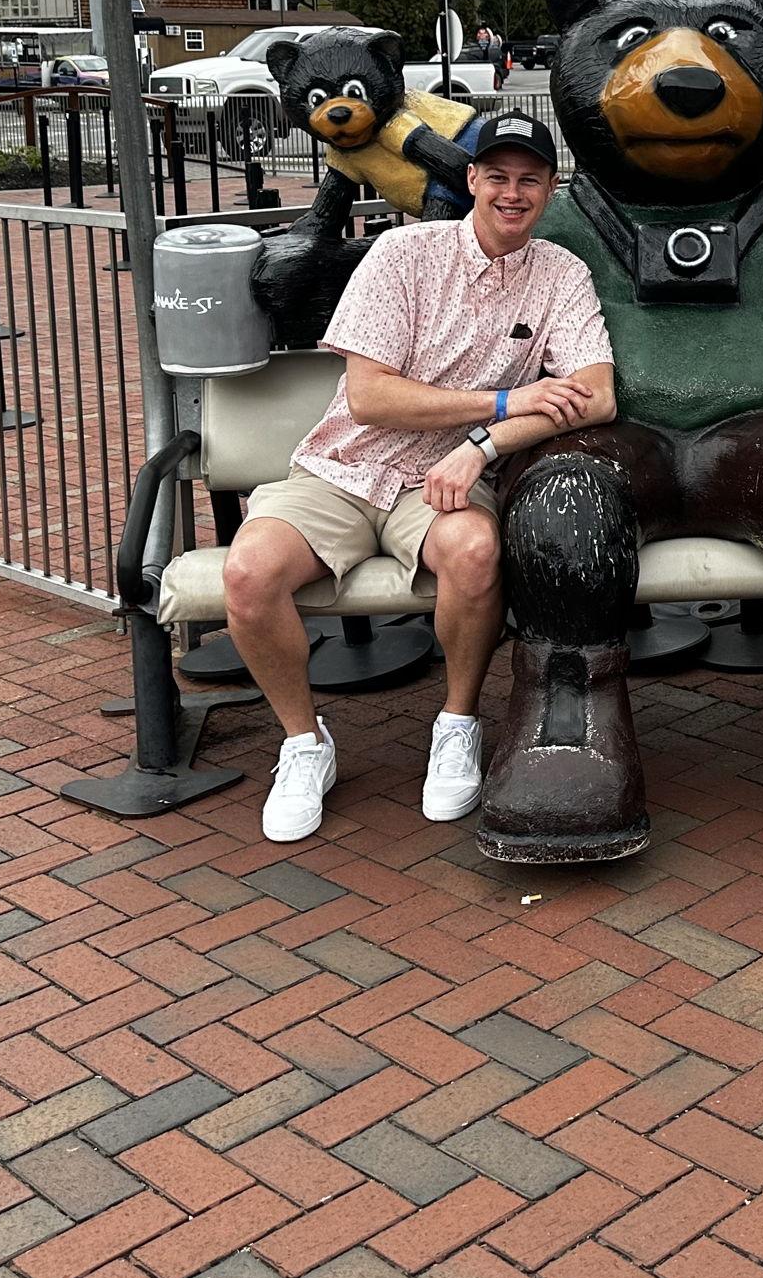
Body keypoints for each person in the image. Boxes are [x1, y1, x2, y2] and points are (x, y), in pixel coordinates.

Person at [222, 114, 617, 843]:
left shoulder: (561, 274)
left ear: (550, 189)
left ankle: (457, 723)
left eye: (529, 179)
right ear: (471, 180)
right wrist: (505, 402)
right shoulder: (403, 253)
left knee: (475, 550)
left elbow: (595, 397)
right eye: (496, 176)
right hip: (342, 466)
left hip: (444, 480)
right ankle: (304, 743)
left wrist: (480, 446)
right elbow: (371, 398)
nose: (511, 192)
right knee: (248, 574)